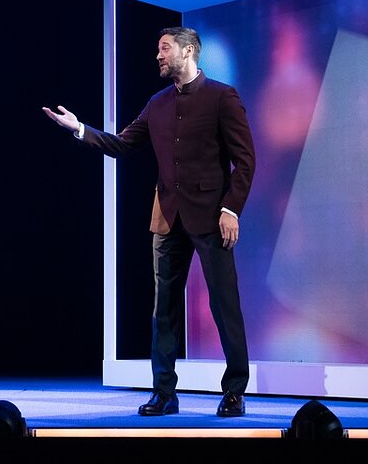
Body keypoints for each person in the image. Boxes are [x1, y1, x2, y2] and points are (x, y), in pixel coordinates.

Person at [42, 27, 255, 418]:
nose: (158, 55)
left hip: (211, 216)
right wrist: (79, 128)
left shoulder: (222, 96)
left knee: (225, 305)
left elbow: (245, 160)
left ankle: (235, 391)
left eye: (165, 48)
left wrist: (231, 209)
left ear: (188, 51)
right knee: (164, 311)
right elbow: (123, 144)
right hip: (167, 217)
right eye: (159, 49)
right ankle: (164, 393)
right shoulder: (157, 103)